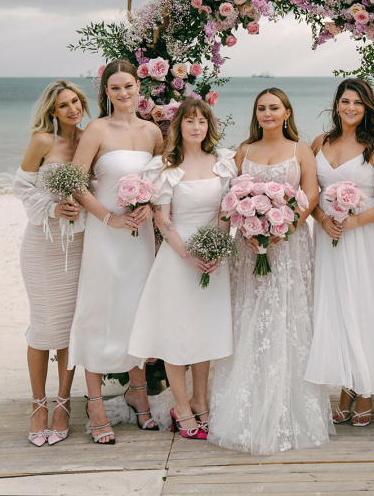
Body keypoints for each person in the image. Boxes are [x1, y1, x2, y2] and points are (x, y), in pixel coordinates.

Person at [208, 88, 334, 454]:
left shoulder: (301, 150)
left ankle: (287, 409)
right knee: (252, 317)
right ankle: (246, 407)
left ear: (286, 112)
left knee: (286, 316)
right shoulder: (244, 151)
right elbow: (229, 198)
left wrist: (285, 229)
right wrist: (247, 228)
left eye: (274, 108)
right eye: (261, 108)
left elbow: (310, 195)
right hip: (249, 248)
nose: (267, 113)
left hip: (289, 246)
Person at [305, 79, 374, 427]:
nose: (351, 108)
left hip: (364, 237)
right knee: (336, 306)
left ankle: (364, 388)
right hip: (329, 237)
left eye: (358, 102)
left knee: (364, 304)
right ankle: (347, 385)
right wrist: (322, 219)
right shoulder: (320, 142)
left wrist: (356, 221)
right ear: (336, 104)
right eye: (345, 101)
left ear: (367, 107)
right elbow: (309, 194)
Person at [129, 100, 236, 439]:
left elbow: (225, 212)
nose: (196, 127)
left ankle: (200, 402)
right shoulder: (166, 167)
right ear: (179, 126)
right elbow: (162, 219)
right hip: (177, 259)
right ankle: (182, 408)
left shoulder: (223, 163)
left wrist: (217, 249)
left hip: (212, 259)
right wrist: (187, 256)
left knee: (205, 331)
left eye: (201, 121)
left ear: (209, 126)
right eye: (189, 121)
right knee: (177, 333)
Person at [68, 59, 162, 444]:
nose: (123, 93)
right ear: (106, 92)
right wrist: (110, 219)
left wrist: (149, 205)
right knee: (99, 311)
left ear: (140, 86)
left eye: (128, 85)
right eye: (115, 88)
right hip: (105, 236)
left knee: (135, 311)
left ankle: (138, 392)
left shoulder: (152, 131)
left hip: (139, 237)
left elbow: (162, 180)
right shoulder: (97, 129)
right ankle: (94, 404)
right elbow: (75, 183)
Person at [14, 80, 90, 446]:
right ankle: (37, 405)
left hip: (79, 245)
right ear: (53, 111)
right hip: (42, 245)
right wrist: (53, 208)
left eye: (75, 102)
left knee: (69, 327)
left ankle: (63, 403)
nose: (72, 109)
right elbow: (21, 187)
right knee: (44, 327)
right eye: (63, 105)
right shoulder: (43, 141)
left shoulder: (90, 140)